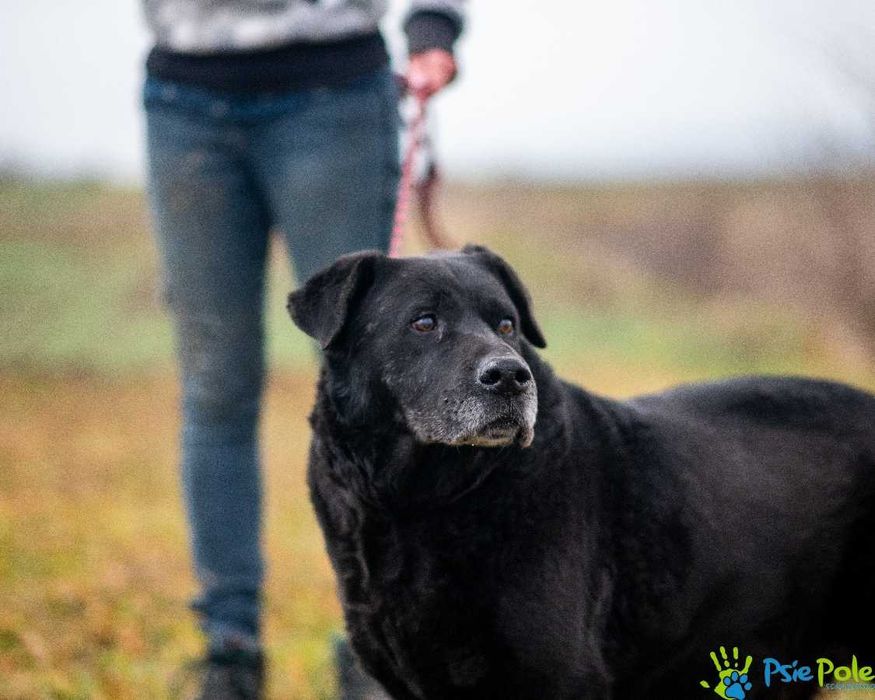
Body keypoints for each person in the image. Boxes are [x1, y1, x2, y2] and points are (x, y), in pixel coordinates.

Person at [141, 1, 464, 697]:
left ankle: (376, 643)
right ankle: (229, 649)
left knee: (378, 389)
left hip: (335, 92)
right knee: (214, 387)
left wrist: (434, 24)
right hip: (182, 100)